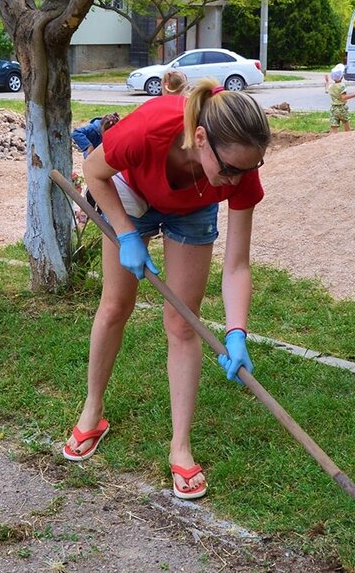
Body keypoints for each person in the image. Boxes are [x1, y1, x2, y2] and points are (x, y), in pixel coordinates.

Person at [62, 78, 270, 501]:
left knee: (182, 323)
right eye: (229, 169)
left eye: (248, 170)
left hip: (191, 212)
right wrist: (125, 234)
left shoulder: (239, 172)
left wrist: (236, 330)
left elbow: (237, 264)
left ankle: (180, 445)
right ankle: (93, 411)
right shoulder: (151, 127)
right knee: (115, 306)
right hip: (130, 197)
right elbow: (94, 172)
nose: (234, 182)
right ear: (199, 139)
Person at [324, 65, 355, 133]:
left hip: (333, 109)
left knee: (334, 126)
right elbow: (344, 97)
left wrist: (327, 81)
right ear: (342, 77)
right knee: (346, 125)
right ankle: (348, 138)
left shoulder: (331, 86)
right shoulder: (342, 86)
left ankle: (335, 139)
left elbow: (326, 90)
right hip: (341, 108)